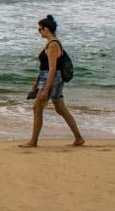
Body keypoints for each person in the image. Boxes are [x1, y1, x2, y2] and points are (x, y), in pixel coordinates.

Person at [19, 14, 84, 148]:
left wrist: (46, 89)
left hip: (52, 80)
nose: (39, 32)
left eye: (40, 29)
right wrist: (36, 83)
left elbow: (52, 69)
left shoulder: (53, 45)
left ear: (46, 29)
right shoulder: (49, 44)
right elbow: (44, 67)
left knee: (37, 107)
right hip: (48, 78)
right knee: (60, 109)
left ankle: (33, 141)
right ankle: (78, 138)